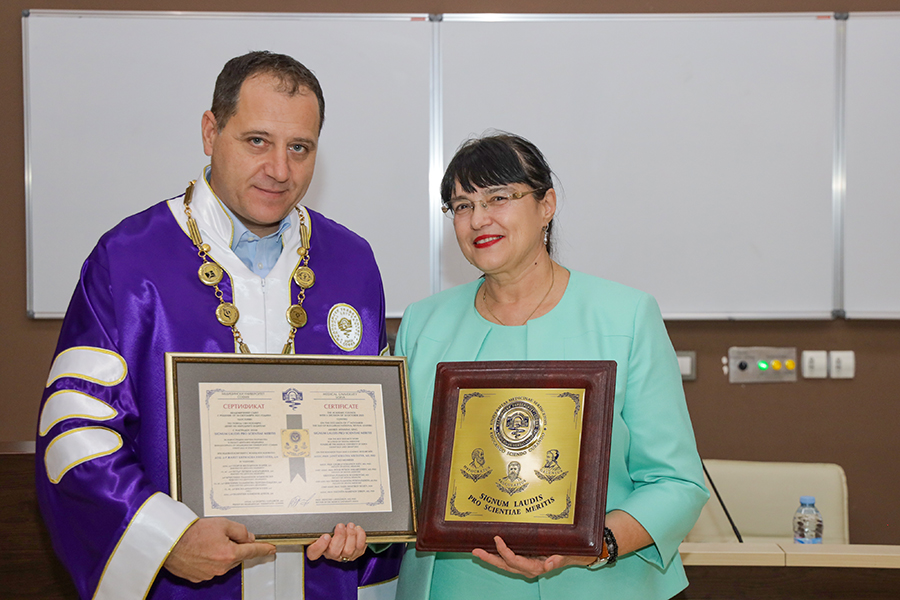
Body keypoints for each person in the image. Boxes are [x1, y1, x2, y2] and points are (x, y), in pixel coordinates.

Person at [34, 51, 402, 600]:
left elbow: (371, 438)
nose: (279, 169)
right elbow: (74, 427)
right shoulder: (129, 262)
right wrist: (167, 538)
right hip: (189, 585)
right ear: (211, 132)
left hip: (318, 581)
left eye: (299, 148)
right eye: (257, 141)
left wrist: (365, 523)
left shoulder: (351, 261)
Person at [394, 132, 709, 599]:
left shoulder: (624, 317)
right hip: (452, 586)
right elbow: (397, 474)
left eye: (498, 198)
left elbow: (676, 482)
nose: (478, 219)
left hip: (595, 584)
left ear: (547, 205)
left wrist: (596, 544)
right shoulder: (423, 324)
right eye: (461, 206)